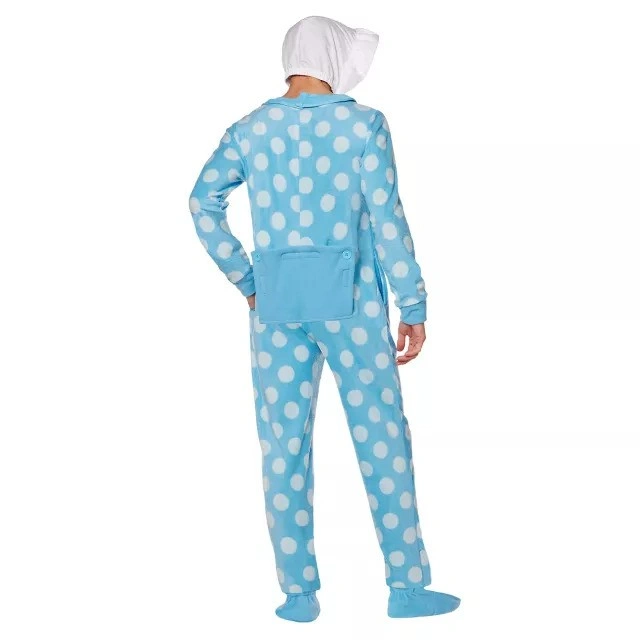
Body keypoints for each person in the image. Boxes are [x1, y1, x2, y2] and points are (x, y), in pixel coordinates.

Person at [189, 15, 460, 622]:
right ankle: (406, 586)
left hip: (276, 311)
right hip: (353, 309)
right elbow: (387, 219)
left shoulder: (249, 130)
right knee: (383, 438)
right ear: (334, 58)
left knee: (282, 447)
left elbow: (201, 201)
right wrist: (413, 303)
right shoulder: (363, 125)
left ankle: (298, 595)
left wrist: (247, 279)